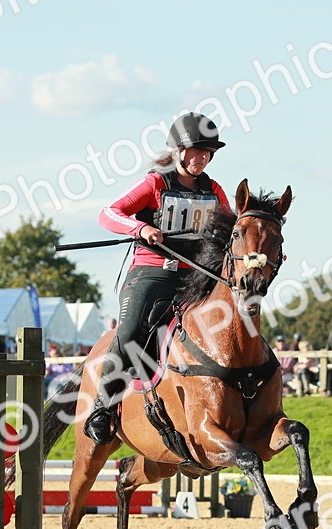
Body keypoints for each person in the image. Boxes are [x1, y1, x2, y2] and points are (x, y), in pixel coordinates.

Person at [84, 111, 232, 444]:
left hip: (196, 279)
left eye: (208, 152)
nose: (202, 158)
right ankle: (102, 409)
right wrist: (141, 227)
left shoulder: (215, 190)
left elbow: (233, 229)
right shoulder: (155, 182)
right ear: (178, 151)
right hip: (153, 273)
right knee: (131, 331)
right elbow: (108, 213)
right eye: (196, 151)